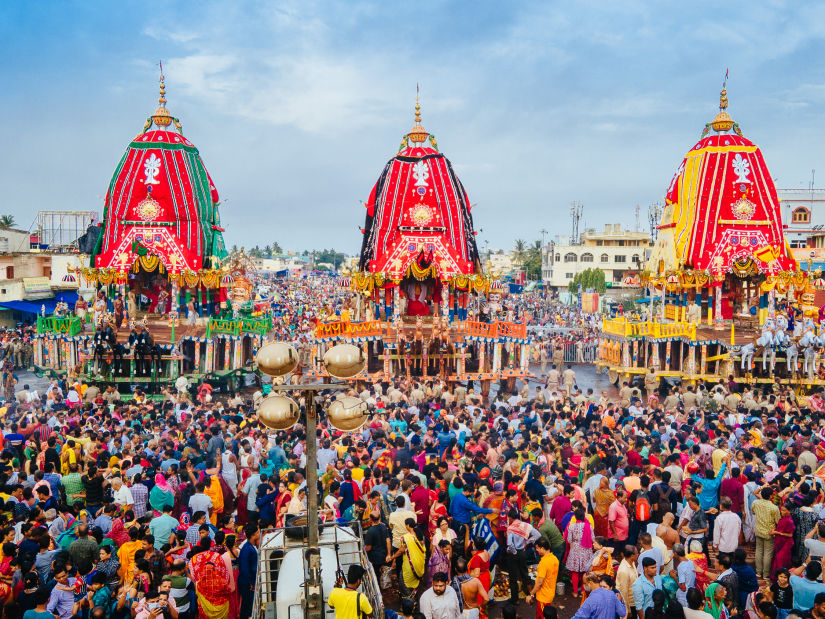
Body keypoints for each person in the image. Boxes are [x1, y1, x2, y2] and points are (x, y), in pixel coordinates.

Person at [527, 538, 559, 619]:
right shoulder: (555, 559)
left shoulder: (544, 562)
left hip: (543, 596)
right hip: (550, 593)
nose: (536, 550)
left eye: (537, 548)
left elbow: (539, 583)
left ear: (542, 548)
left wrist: (531, 594)